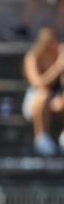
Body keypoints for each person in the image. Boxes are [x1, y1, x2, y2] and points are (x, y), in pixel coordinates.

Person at [22, 27, 64, 155]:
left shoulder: (59, 56)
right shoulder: (32, 57)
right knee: (43, 95)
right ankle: (41, 138)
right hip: (35, 102)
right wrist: (58, 66)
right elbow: (38, 83)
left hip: (56, 102)